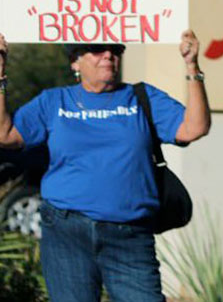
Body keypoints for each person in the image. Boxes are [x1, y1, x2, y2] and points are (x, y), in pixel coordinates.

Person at [0, 29, 211, 302]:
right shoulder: (54, 101)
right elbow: (6, 135)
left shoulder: (142, 97)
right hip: (67, 230)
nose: (108, 55)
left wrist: (192, 67)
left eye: (115, 49)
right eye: (97, 48)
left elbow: (195, 128)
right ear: (75, 61)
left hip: (130, 233)